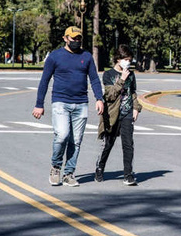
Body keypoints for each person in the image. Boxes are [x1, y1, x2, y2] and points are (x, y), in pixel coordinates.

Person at [32, 26, 104, 187]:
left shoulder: (86, 56)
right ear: (65, 39)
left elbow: (94, 79)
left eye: (79, 38)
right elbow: (44, 81)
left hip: (81, 103)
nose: (76, 41)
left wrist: (99, 98)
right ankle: (56, 167)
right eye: (73, 39)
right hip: (60, 102)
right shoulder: (55, 56)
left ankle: (69, 173)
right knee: (62, 135)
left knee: (76, 140)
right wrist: (39, 104)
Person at [95, 44, 142, 186]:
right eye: (126, 59)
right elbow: (109, 95)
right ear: (118, 59)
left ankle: (128, 174)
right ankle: (100, 166)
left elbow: (132, 92)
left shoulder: (131, 74)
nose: (128, 62)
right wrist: (121, 79)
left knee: (128, 145)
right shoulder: (108, 74)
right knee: (108, 143)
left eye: (130, 60)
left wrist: (136, 108)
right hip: (112, 114)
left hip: (127, 113)